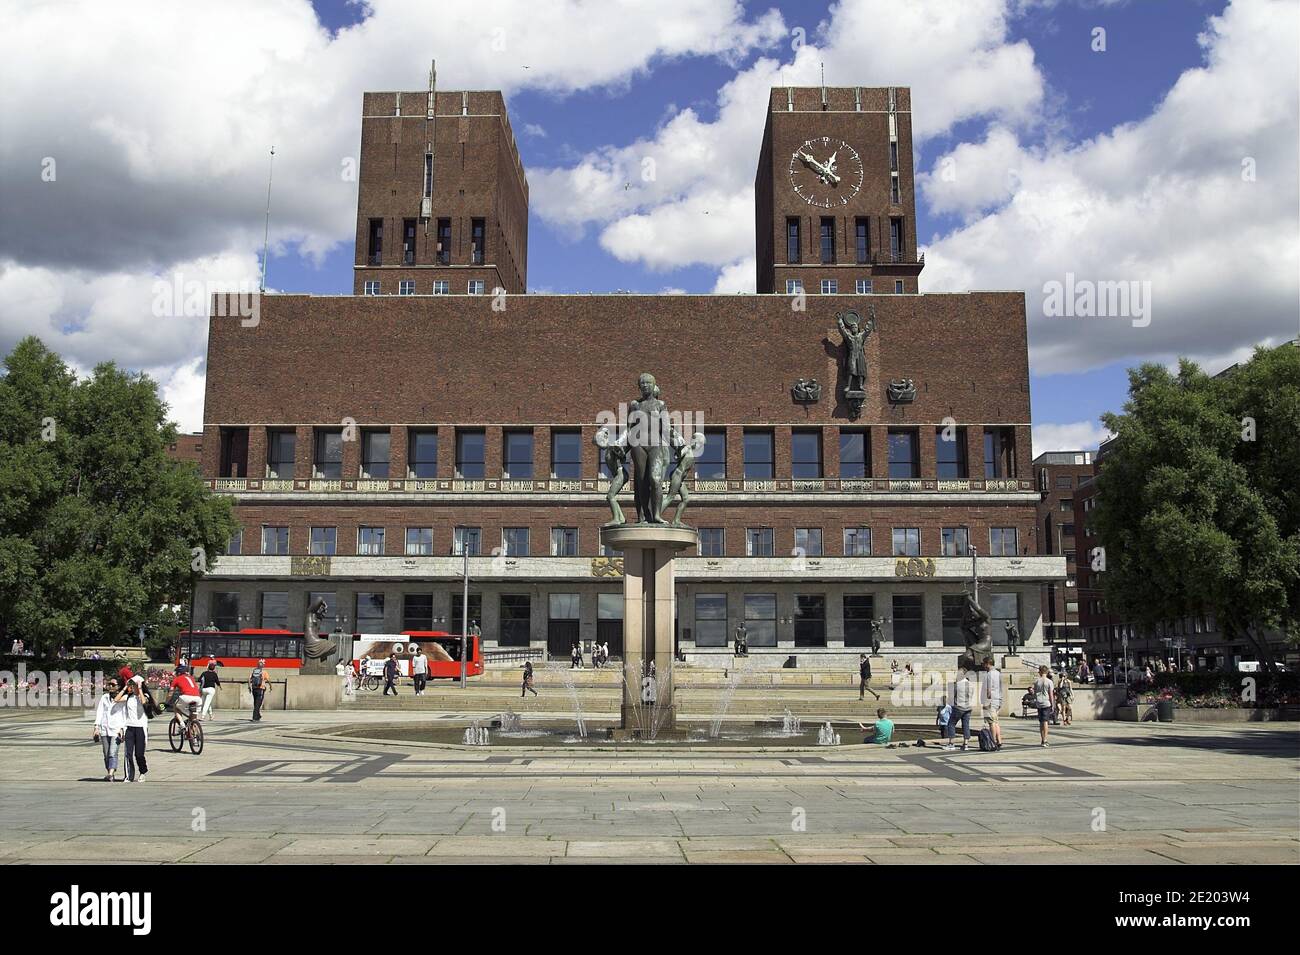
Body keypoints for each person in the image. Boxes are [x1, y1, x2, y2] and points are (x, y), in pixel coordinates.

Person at [116, 675, 150, 782]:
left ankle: (143, 771)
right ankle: (129, 776)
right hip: (129, 727)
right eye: (132, 685)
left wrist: (139, 688)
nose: (132, 687)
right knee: (128, 753)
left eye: (133, 685)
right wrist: (125, 688)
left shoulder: (144, 695)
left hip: (141, 728)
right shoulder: (128, 697)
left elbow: (144, 702)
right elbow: (116, 700)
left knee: (139, 754)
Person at [93, 677, 126, 781]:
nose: (110, 686)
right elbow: (100, 712)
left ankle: (111, 773)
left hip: (116, 730)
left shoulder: (124, 698)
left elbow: (126, 714)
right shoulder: (104, 697)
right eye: (109, 684)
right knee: (106, 753)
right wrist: (96, 727)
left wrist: (123, 728)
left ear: (119, 686)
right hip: (104, 728)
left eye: (113, 684)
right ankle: (109, 772)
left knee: (112, 752)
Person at [949, 669, 976, 750]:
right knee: (966, 725)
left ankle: (951, 744)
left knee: (951, 723)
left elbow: (952, 696)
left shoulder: (957, 685)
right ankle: (966, 744)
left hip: (958, 707)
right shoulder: (971, 684)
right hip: (968, 708)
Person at [981, 656, 1003, 750]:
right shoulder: (998, 673)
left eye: (984, 664)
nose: (983, 666)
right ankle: (999, 741)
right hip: (998, 699)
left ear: (987, 664)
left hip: (991, 701)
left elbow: (988, 690)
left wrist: (987, 701)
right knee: (996, 721)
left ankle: (992, 741)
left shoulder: (989, 674)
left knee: (991, 723)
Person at [1033, 665, 1056, 747]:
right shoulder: (1049, 682)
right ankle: (1045, 740)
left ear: (1040, 671)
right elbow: (1051, 694)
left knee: (1041, 722)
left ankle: (1042, 738)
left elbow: (1035, 693)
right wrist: (1053, 704)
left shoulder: (1036, 682)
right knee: (1045, 721)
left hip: (1039, 702)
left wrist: (1036, 701)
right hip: (1046, 702)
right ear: (1046, 672)